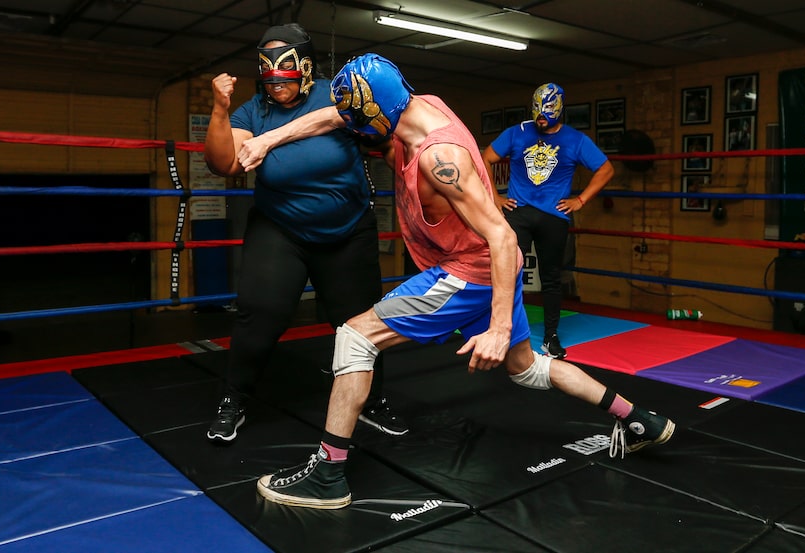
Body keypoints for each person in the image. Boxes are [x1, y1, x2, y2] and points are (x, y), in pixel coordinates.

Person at [245, 54, 675, 509]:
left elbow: (504, 238)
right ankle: (639, 418)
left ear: (378, 113)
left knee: (354, 337)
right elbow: (336, 115)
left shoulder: (439, 159)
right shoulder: (418, 105)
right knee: (528, 369)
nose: (353, 128)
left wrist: (499, 329)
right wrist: (267, 140)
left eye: (358, 120)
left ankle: (329, 476)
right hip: (483, 273)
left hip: (469, 273)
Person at [202, 25, 408, 444]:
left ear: (306, 66)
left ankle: (371, 400)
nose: (277, 85)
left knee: (361, 322)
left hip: (348, 230)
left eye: (285, 74)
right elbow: (224, 165)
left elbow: (368, 119)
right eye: (270, 76)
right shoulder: (253, 111)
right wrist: (220, 110)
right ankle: (234, 399)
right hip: (281, 228)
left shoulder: (337, 92)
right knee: (259, 316)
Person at [481, 83, 614, 359]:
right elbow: (485, 158)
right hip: (519, 213)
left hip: (554, 216)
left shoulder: (575, 140)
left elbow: (606, 168)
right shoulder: (517, 132)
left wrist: (581, 200)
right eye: (537, 112)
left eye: (546, 113)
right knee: (507, 272)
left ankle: (550, 337)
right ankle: (500, 331)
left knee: (551, 278)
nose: (540, 118)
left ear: (559, 109)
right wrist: (495, 198)